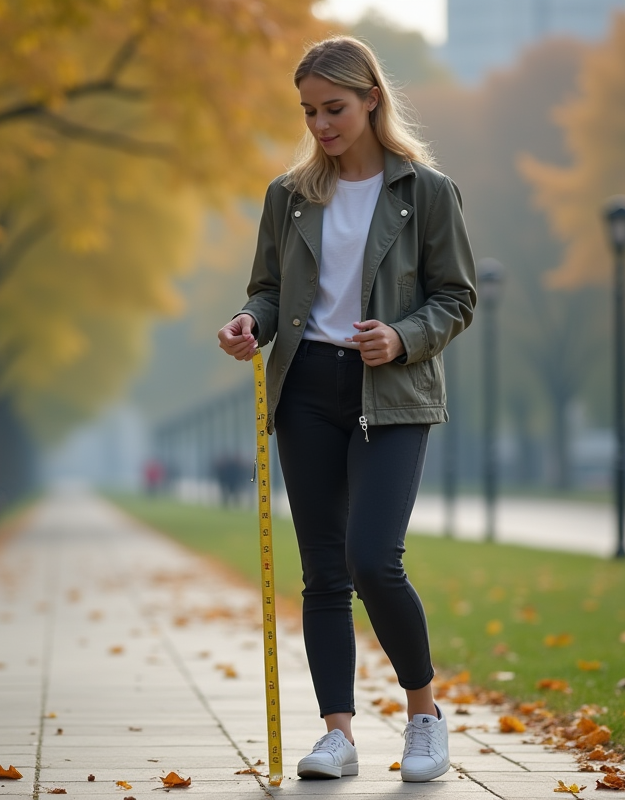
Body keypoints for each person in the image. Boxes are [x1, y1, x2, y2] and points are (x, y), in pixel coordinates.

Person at [216, 36, 476, 783]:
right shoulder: (288, 195)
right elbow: (268, 290)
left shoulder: (426, 191)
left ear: (371, 100)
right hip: (306, 391)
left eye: (334, 108)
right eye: (309, 111)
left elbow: (457, 298)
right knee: (324, 572)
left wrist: (400, 337)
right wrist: (250, 324)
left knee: (372, 560)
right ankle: (338, 733)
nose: (322, 124)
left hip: (393, 393)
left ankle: (424, 714)